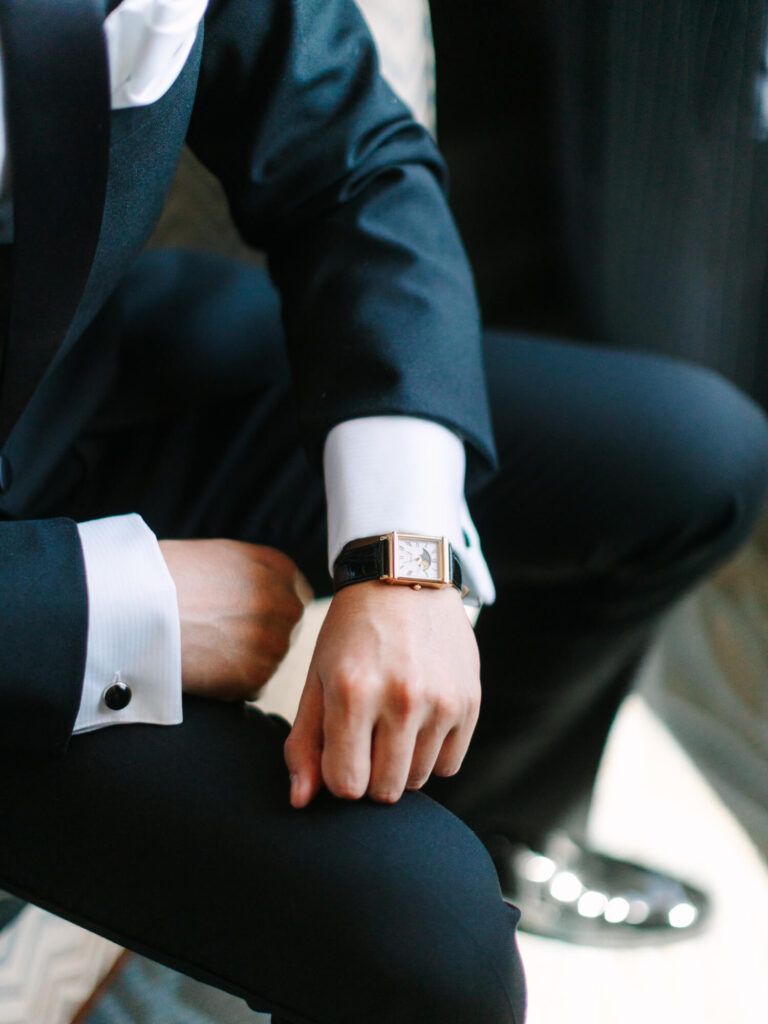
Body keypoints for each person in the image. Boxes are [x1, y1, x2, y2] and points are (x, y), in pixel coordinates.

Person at [0, 3, 766, 1023]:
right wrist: (125, 606)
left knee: (695, 454)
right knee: (434, 948)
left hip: (78, 372)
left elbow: (354, 158)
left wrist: (404, 560)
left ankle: (493, 817)